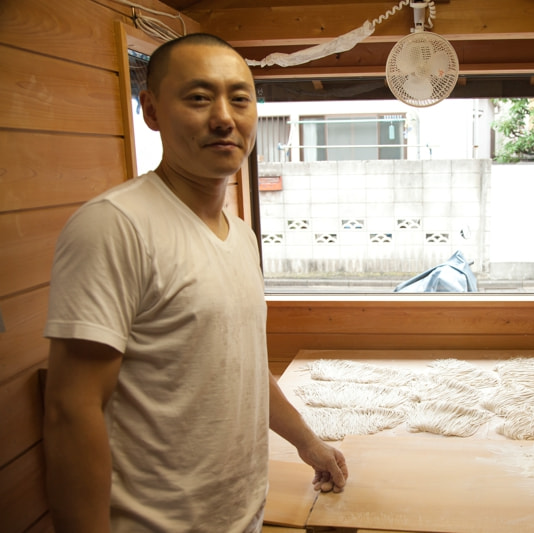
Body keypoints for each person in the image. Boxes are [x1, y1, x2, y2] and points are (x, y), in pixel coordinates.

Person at [42, 33, 347, 533]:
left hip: (240, 516)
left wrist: (307, 442)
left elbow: (243, 366)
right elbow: (71, 411)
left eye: (240, 99)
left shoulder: (241, 237)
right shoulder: (115, 225)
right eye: (199, 98)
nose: (224, 117)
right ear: (152, 111)